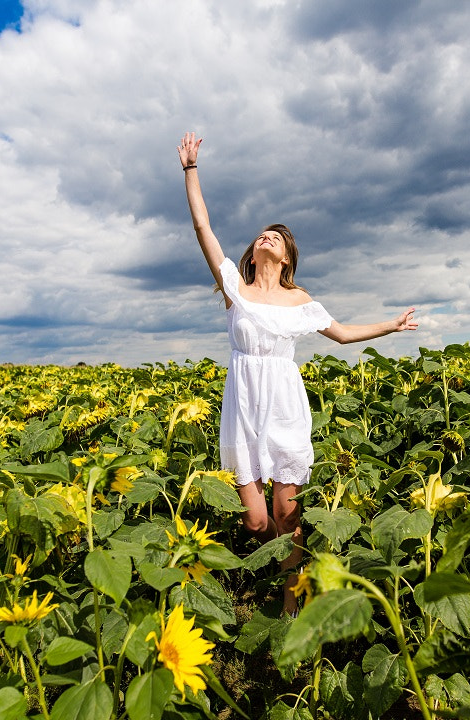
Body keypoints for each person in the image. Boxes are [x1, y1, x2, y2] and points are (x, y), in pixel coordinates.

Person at [177, 132, 418, 616]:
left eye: (276, 237)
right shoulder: (235, 290)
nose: (265, 237)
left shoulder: (302, 300)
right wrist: (191, 170)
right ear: (253, 252)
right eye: (261, 235)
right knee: (254, 520)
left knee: (288, 511)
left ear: (285, 256)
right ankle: (287, 562)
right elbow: (203, 227)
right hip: (243, 401)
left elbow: (344, 334)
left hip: (284, 403)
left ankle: (292, 598)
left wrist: (392, 325)